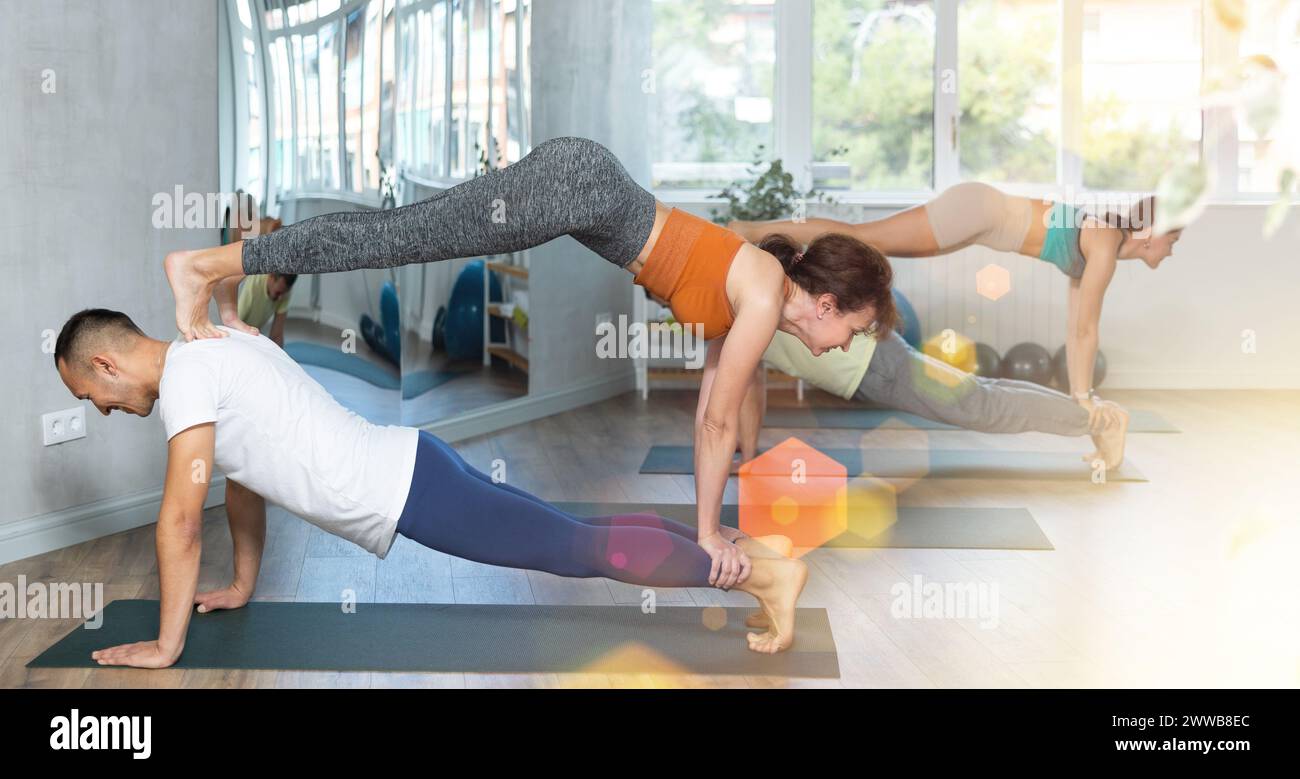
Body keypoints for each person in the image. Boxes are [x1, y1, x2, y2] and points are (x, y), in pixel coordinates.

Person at [161, 136, 898, 587]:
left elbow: (723, 411)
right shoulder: (765, 296)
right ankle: (206, 264)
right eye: (856, 331)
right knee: (399, 235)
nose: (843, 348)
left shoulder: (757, 297)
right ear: (829, 303)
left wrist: (716, 523)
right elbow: (711, 420)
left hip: (588, 193)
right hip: (583, 188)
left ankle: (220, 268)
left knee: (401, 234)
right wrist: (707, 534)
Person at [53, 309, 809, 666]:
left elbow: (179, 521)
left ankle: (761, 573)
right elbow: (241, 479)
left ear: (106, 366)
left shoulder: (187, 380)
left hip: (411, 490)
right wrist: (244, 583)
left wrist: (167, 639)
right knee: (571, 534)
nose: (103, 410)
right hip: (418, 461)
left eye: (92, 396)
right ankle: (748, 553)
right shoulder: (211, 353)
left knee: (577, 549)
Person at [730, 182, 1187, 439]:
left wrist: (1083, 398)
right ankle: (749, 229)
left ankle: (752, 231)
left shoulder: (1094, 246)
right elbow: (1087, 330)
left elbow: (1077, 328)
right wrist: (1085, 400)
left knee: (867, 240)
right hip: (980, 213)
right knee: (861, 236)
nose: (1170, 251)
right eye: (1173, 238)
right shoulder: (1105, 241)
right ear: (1151, 229)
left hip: (979, 222)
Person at [751, 329, 1127, 468]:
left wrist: (747, 455)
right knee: (984, 393)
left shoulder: (737, 308)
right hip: (875, 360)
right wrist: (749, 454)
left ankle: (1099, 421)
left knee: (980, 405)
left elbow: (739, 389)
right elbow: (748, 384)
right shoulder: (738, 310)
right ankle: (1090, 416)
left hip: (875, 364)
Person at [232, 273, 297, 348]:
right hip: (232, 330)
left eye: (284, 293)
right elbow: (233, 327)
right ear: (271, 276)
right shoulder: (253, 285)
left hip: (250, 333)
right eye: (278, 293)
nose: (280, 298)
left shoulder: (284, 291)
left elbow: (277, 335)